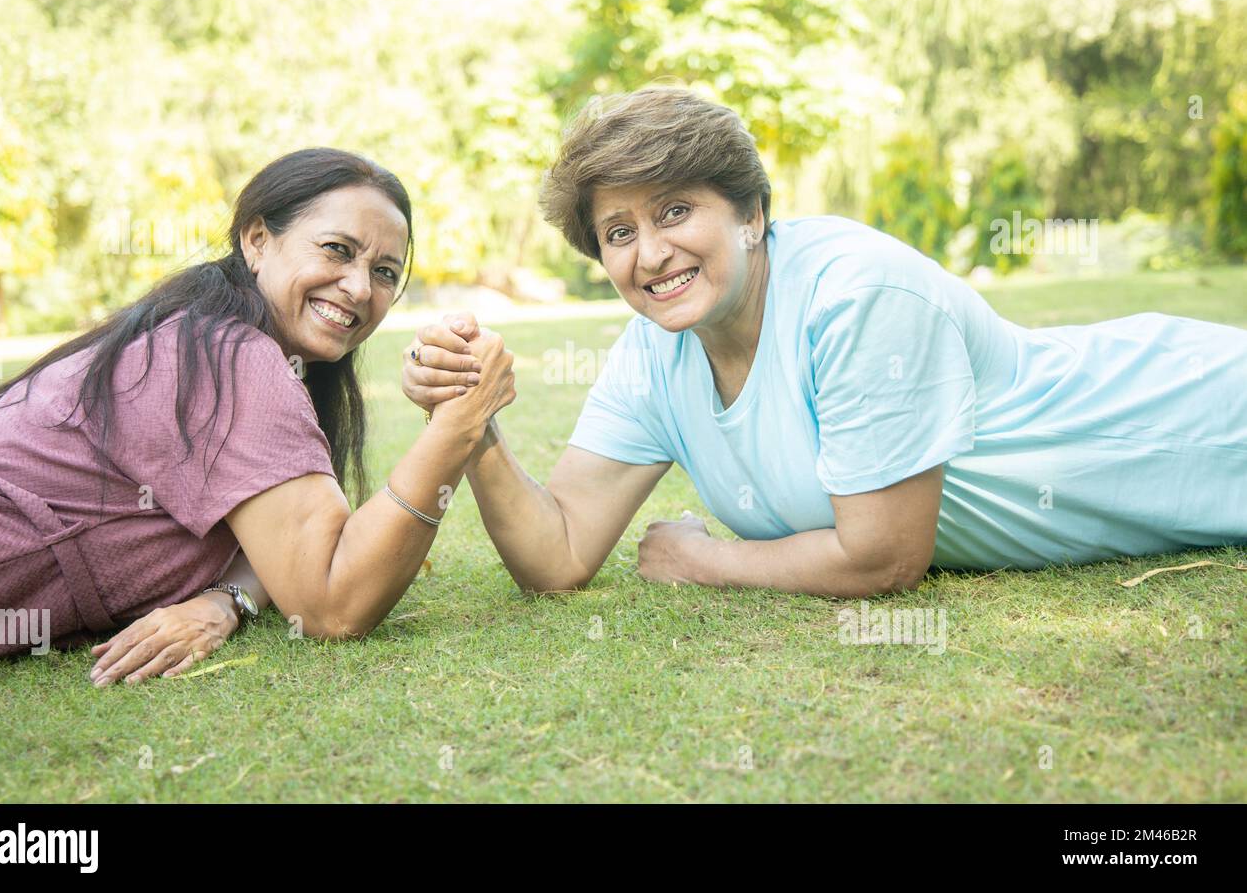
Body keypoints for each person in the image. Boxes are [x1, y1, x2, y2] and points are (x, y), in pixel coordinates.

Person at [402, 86, 1247, 597]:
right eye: (618, 232)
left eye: (673, 211)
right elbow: (556, 556)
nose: (650, 253)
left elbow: (882, 559)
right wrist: (469, 424)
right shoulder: (652, 352)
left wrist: (702, 562)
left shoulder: (855, 296)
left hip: (1208, 419)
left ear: (753, 213)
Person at [0, 148, 513, 682]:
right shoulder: (228, 355)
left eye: (386, 271)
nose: (360, 287)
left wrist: (226, 600)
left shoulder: (214, 333)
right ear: (258, 240)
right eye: (337, 249)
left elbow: (280, 544)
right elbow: (333, 605)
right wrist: (460, 421)